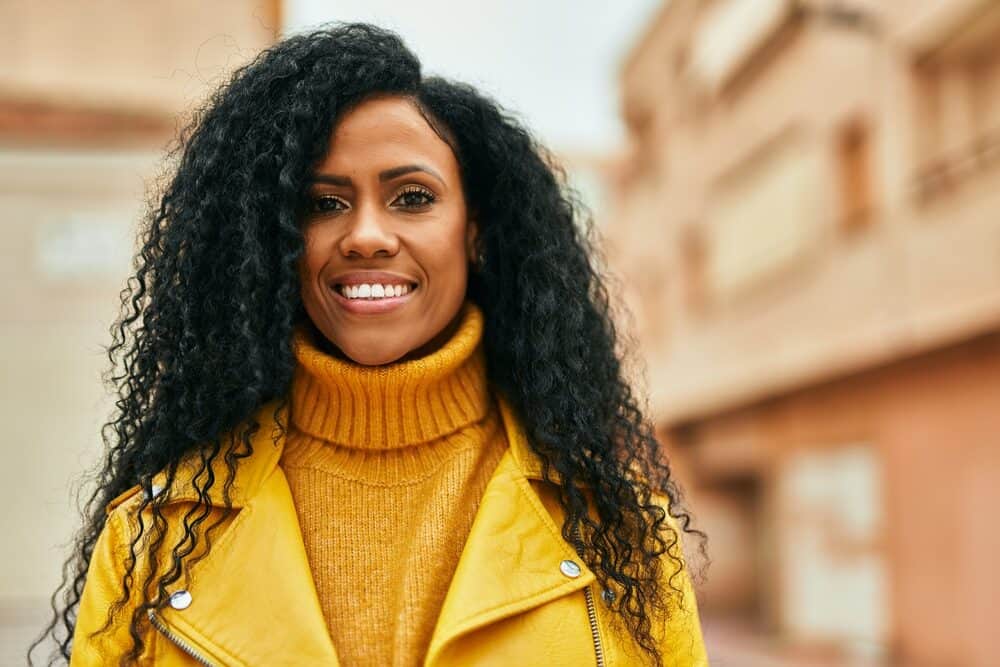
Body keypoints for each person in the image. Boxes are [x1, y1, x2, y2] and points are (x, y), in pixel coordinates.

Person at [30, 22, 708, 667]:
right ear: (279, 242)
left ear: (475, 231)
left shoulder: (621, 535)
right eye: (324, 203)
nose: (366, 235)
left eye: (412, 197)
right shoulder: (152, 538)